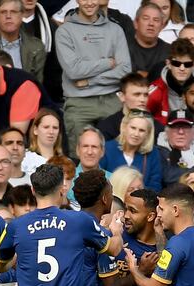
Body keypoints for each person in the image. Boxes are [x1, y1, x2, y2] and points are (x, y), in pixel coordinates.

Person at [56, 0, 130, 154]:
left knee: (116, 156)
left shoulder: (115, 29)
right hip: (78, 104)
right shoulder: (65, 31)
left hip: (112, 100)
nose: (89, 3)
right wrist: (107, 63)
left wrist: (90, 81)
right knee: (79, 158)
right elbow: (74, 71)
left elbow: (125, 70)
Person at [100, 110, 163, 191]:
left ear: (148, 134)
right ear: (124, 127)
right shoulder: (107, 148)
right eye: (133, 128)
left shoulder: (153, 153)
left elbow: (155, 186)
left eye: (141, 130)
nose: (136, 134)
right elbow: (99, 180)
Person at [129, 2, 170, 79]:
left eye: (156, 20)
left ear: (162, 26)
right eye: (146, 18)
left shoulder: (170, 51)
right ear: (136, 23)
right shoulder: (123, 48)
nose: (151, 23)